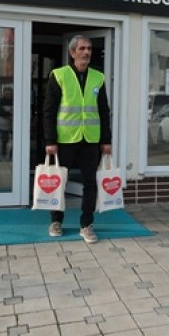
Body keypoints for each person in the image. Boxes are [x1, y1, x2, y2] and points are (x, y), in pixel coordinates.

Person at [43, 35, 112, 243]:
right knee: (59, 183)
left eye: (89, 49)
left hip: (90, 140)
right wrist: (50, 141)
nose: (86, 52)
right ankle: (56, 221)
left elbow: (103, 110)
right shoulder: (59, 75)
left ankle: (86, 224)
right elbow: (49, 110)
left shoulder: (98, 77)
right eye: (82, 48)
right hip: (64, 140)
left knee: (90, 183)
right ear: (72, 53)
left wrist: (106, 140)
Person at [0, 87, 14, 160]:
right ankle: (3, 155)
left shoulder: (14, 101)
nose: (9, 95)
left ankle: (12, 155)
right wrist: (9, 114)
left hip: (13, 124)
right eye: (7, 94)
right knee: (4, 140)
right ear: (4, 94)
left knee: (15, 140)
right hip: (3, 124)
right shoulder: (0, 101)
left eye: (10, 94)